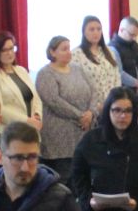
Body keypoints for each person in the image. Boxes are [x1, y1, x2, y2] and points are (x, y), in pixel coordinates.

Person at [35, 35, 98, 179]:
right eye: (64, 49)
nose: (69, 52)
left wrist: (90, 113)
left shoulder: (78, 69)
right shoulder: (45, 73)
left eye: (69, 48)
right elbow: (54, 101)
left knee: (81, 176)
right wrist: (80, 116)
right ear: (52, 52)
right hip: (58, 136)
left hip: (83, 131)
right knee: (63, 177)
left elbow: (93, 91)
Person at [0, 31, 39, 128]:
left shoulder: (21, 70)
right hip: (8, 129)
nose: (9, 53)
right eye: (4, 50)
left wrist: (37, 115)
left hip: (30, 127)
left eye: (11, 48)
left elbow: (36, 97)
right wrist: (26, 120)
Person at [74, 16, 121, 105]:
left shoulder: (109, 51)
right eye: (91, 29)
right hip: (91, 106)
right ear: (84, 32)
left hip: (112, 104)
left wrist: (115, 100)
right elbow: (77, 84)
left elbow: (117, 77)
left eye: (99, 29)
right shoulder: (76, 55)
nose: (96, 32)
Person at [108, 16, 138, 93]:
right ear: (121, 30)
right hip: (124, 93)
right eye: (132, 35)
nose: (134, 38)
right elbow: (119, 73)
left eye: (136, 35)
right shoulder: (112, 48)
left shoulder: (135, 45)